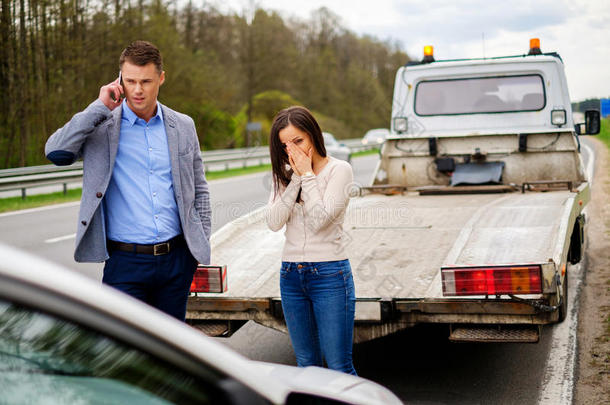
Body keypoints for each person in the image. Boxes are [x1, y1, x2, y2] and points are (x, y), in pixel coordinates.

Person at [45, 40, 211, 320]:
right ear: (119, 79)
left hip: (177, 262)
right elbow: (56, 152)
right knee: (125, 359)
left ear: (161, 78)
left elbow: (200, 189)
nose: (137, 89)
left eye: (145, 81)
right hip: (125, 264)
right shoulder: (102, 126)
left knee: (171, 355)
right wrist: (98, 106)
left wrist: (198, 245)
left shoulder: (183, 126)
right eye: (130, 80)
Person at [266, 106, 357, 375]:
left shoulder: (340, 170)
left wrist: (307, 175)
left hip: (329, 274)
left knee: (339, 366)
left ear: (314, 136)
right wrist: (295, 179)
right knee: (306, 367)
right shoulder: (285, 176)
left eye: (298, 141)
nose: (292, 151)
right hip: (291, 275)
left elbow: (320, 220)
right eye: (284, 146)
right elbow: (273, 222)